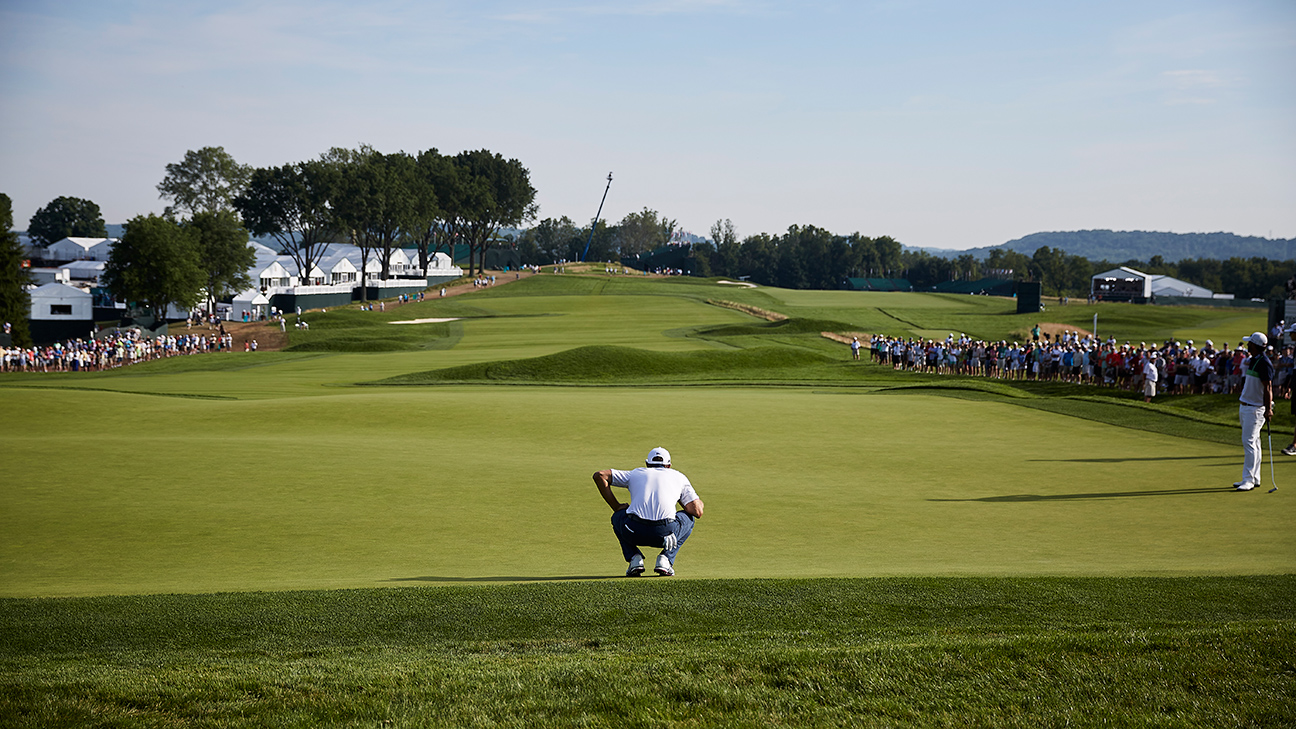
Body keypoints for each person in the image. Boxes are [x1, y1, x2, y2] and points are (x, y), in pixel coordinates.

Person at [592, 447, 704, 577]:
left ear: (647, 464)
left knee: (618, 516)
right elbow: (697, 511)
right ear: (669, 465)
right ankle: (665, 559)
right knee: (689, 519)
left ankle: (634, 558)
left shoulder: (635, 473)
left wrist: (616, 506)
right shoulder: (679, 476)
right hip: (665, 534)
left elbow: (600, 475)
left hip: (633, 531)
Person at [1236, 332, 1274, 491]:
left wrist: (1268, 409)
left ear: (1254, 345)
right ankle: (1255, 477)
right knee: (1255, 443)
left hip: (1255, 409)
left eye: (1249, 343)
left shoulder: (1264, 363)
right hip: (1246, 405)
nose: (1247, 346)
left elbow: (1268, 388)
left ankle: (1248, 480)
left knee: (1249, 443)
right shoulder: (1254, 360)